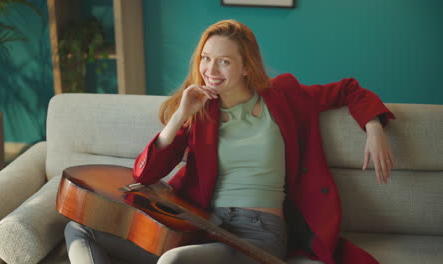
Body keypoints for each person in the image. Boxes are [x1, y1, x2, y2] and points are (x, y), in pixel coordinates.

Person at [65, 19, 395, 264]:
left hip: (259, 233)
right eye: (205, 58)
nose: (210, 69)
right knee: (79, 230)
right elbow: (144, 175)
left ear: (247, 67)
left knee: (175, 262)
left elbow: (349, 89)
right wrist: (181, 114)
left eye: (224, 61)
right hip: (202, 225)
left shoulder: (282, 96)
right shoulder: (199, 109)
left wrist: (373, 127)